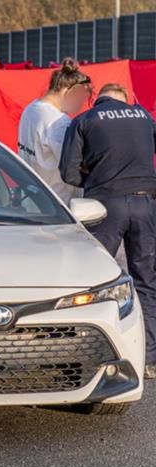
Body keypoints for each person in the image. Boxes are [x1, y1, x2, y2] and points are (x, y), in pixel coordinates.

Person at [59, 82, 156, 379]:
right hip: (146, 203)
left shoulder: (84, 120)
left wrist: (95, 176)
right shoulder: (144, 117)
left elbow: (68, 172)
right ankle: (149, 359)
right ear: (125, 101)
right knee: (147, 279)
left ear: (97, 100)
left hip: (105, 206)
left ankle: (92, 354)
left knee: (96, 279)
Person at [18, 58, 92, 204]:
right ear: (70, 92)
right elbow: (74, 165)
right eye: (81, 99)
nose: (80, 106)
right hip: (59, 204)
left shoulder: (31, 108)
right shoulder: (59, 122)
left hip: (33, 199)